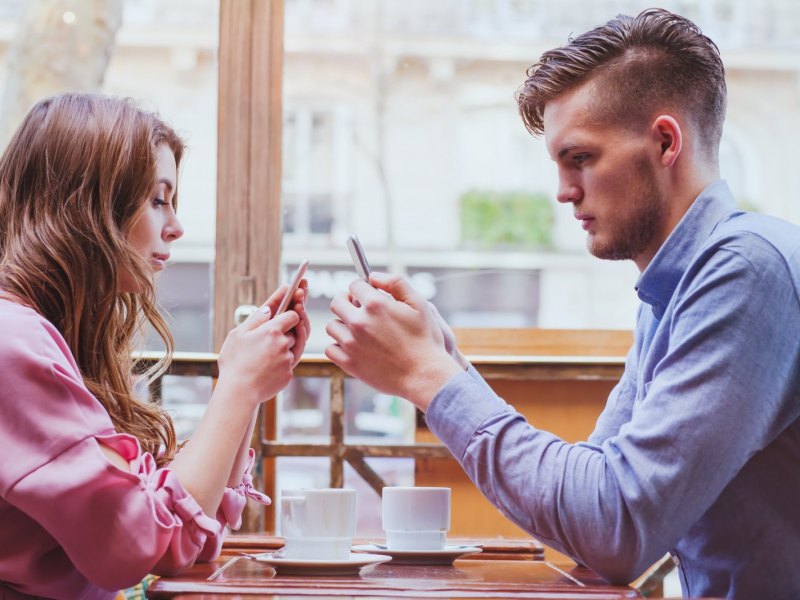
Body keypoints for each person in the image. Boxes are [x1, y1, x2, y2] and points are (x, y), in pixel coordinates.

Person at [326, 8, 800, 599]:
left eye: (581, 158)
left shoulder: (746, 271)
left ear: (665, 141)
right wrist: (446, 360)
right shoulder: (673, 288)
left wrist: (430, 377)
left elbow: (616, 526)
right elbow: (592, 502)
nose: (562, 191)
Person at [0, 93, 310, 598]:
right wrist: (236, 386)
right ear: (87, 206)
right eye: (157, 199)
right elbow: (139, 542)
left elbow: (183, 535)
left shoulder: (39, 335)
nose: (176, 226)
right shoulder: (12, 343)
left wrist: (247, 387)